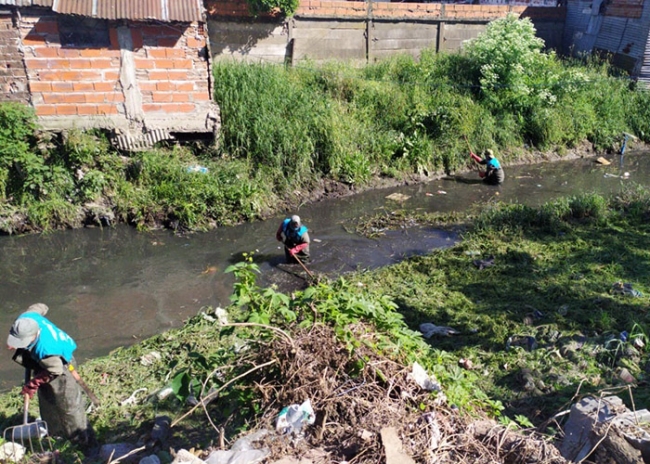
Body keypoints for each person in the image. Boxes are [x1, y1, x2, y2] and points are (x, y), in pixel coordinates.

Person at [6, 303, 95, 447]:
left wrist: (33, 384)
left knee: (69, 407)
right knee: (47, 400)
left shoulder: (47, 351)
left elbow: (55, 370)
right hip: (45, 365)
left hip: (61, 367)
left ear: (34, 335)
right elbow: (41, 306)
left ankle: (82, 442)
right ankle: (55, 432)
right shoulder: (28, 318)